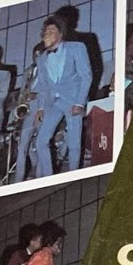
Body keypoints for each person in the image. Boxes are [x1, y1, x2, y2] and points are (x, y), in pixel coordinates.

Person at [23, 18, 91, 178]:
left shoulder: (76, 47)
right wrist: (41, 108)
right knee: (41, 142)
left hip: (73, 101)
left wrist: (80, 103)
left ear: (60, 34)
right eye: (46, 32)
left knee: (74, 143)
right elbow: (43, 85)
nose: (47, 34)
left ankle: (73, 176)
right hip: (52, 103)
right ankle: (49, 177)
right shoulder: (41, 58)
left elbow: (86, 76)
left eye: (52, 31)